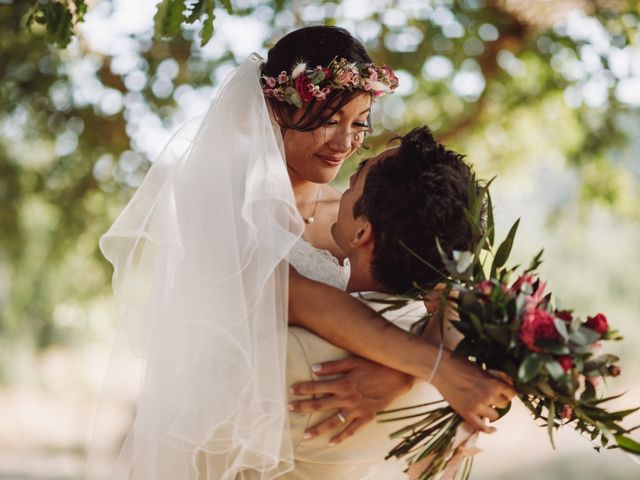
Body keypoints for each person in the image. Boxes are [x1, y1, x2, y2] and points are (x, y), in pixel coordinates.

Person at [96, 25, 514, 480]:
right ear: (275, 109)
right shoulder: (223, 204)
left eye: (359, 124)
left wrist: (401, 378)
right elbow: (291, 294)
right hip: (231, 432)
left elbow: (445, 285)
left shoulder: (354, 213)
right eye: (328, 121)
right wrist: (432, 368)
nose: (345, 143)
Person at [281, 126, 500, 478]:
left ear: (362, 231)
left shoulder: (297, 357)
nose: (345, 180)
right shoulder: (462, 378)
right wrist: (417, 370)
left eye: (356, 181)